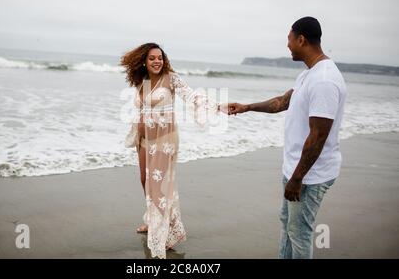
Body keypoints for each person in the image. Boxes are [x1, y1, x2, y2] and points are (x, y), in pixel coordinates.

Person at [228, 17, 347, 259]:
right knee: (288, 225)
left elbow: (319, 135)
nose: (288, 44)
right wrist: (246, 107)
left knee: (299, 232)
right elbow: (282, 102)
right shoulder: (308, 74)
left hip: (309, 176)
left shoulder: (324, 80)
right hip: (296, 169)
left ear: (301, 39)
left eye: (290, 39)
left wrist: (297, 178)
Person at [121, 42, 224, 259]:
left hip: (165, 139)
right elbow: (141, 109)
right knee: (144, 180)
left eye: (160, 57)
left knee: (160, 185)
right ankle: (152, 220)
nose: (157, 61)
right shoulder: (143, 81)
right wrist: (138, 131)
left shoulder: (171, 78)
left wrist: (217, 106)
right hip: (144, 138)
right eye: (152, 58)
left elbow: (192, 95)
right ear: (144, 61)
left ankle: (166, 232)